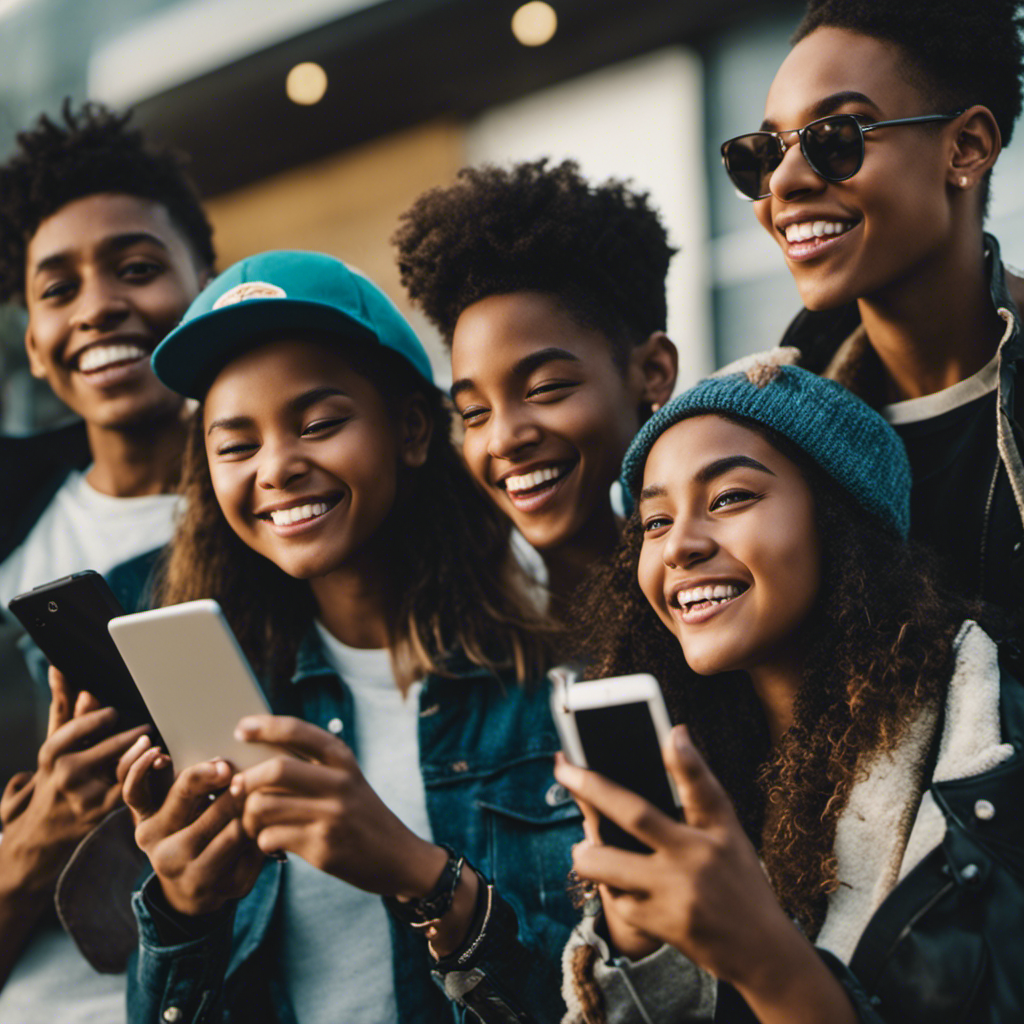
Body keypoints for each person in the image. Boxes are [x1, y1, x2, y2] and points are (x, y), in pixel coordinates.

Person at [112, 250, 582, 1024]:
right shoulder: (220, 705)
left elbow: (610, 1001)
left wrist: (421, 875)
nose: (277, 467)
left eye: (320, 424)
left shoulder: (545, 680)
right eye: (236, 445)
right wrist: (181, 912)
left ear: (411, 428)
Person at [555, 363, 1022, 1023]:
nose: (679, 547)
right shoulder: (696, 759)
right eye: (655, 521)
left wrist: (764, 958)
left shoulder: (992, 748)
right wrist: (639, 945)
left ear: (840, 521)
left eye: (730, 498)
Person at [0, 101, 214, 1018]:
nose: (99, 307)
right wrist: (41, 830)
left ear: (206, 287)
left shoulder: (294, 517)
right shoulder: (13, 536)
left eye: (136, 268)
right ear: (35, 345)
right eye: (58, 289)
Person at [716, 0, 1024, 617]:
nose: (783, 182)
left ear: (966, 148)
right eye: (767, 151)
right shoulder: (773, 429)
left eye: (836, 138)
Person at [393, 159, 678, 609]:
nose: (503, 439)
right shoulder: (471, 631)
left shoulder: (721, 572)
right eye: (474, 414)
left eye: (544, 389)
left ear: (653, 372)